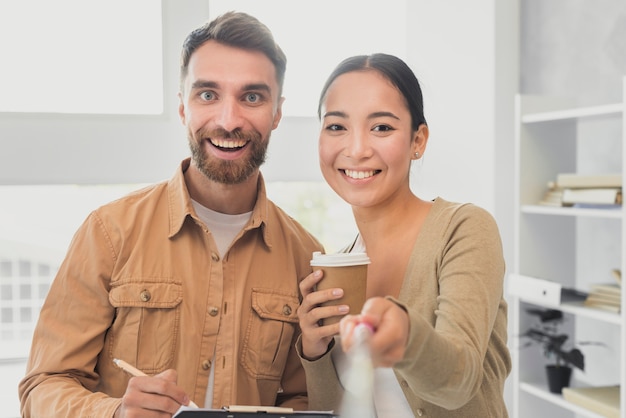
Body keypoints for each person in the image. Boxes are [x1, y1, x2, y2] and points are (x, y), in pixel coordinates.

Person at [18, 11, 323, 418]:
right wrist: (116, 414)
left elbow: (303, 401)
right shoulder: (108, 233)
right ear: (183, 107)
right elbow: (42, 388)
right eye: (208, 95)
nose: (228, 120)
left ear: (277, 112)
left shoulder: (307, 257)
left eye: (252, 97)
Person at [296, 53, 511, 417]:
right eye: (336, 127)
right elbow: (341, 410)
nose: (357, 149)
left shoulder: (463, 229)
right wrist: (315, 353)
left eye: (381, 127)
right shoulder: (341, 266)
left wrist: (407, 337)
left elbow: (460, 382)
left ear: (418, 140)